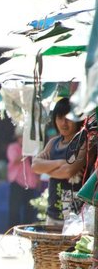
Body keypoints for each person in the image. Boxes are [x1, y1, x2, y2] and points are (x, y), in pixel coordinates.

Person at [32, 97, 87, 228]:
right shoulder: (53, 143)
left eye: (68, 118)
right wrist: (60, 162)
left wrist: (47, 169)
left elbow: (69, 171)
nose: (64, 123)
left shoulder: (83, 142)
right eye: (60, 118)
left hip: (75, 215)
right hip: (53, 213)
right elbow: (35, 166)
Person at [7, 125, 42, 226]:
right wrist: (26, 151)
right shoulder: (12, 147)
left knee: (29, 208)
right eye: (21, 137)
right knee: (14, 209)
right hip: (17, 181)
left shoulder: (34, 150)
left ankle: (26, 229)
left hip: (30, 182)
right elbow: (15, 160)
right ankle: (13, 229)